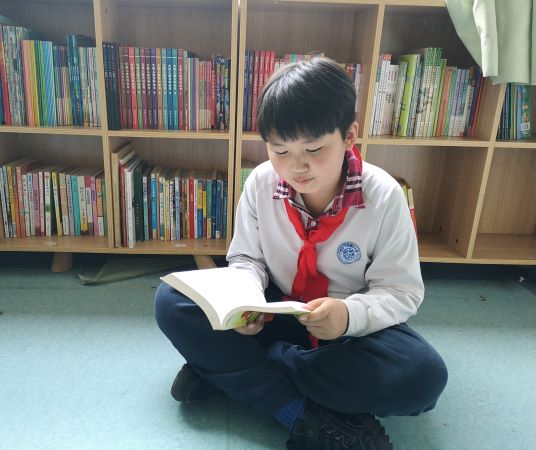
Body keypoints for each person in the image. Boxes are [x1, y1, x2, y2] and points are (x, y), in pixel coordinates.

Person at [154, 57, 448, 450]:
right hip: (277, 312)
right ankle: (300, 414)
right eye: (280, 150)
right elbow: (247, 260)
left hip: (345, 332)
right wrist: (245, 300)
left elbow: (400, 292)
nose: (297, 166)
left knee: (423, 376)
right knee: (171, 301)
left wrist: (347, 316)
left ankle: (232, 371)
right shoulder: (260, 183)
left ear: (349, 135)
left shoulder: (384, 196)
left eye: (314, 148)